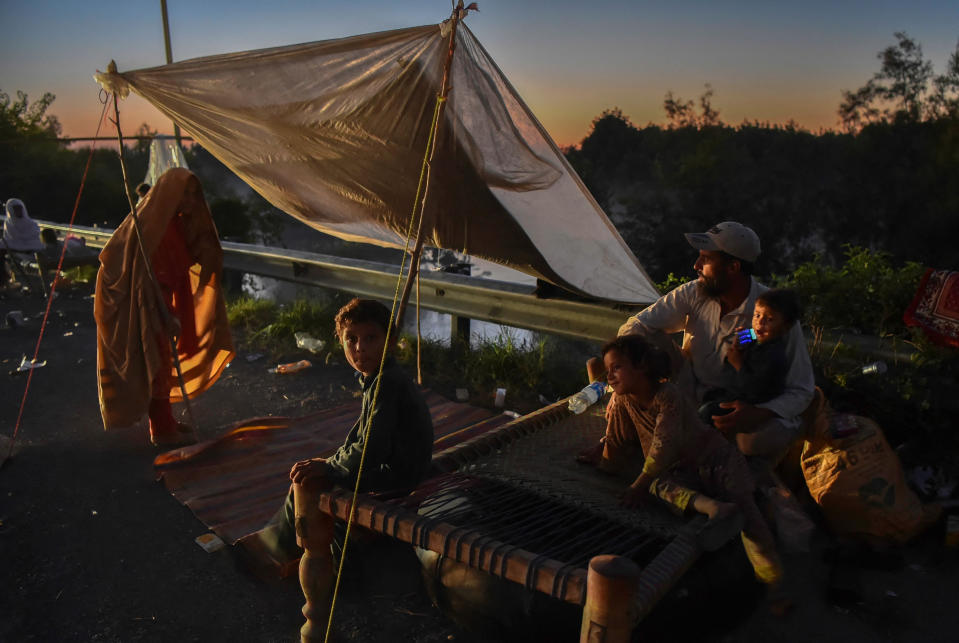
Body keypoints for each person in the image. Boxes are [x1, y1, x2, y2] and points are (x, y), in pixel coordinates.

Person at [586, 334, 786, 604]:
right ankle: (713, 508)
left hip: (717, 461)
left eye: (616, 368)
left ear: (642, 366)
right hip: (679, 471)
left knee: (751, 519)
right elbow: (617, 438)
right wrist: (604, 462)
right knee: (657, 485)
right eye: (607, 370)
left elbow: (664, 444)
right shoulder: (623, 401)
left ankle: (774, 587)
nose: (609, 376)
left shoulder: (668, 396)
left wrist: (638, 485)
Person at [241, 298, 435, 574]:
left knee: (306, 482)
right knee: (315, 469)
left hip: (397, 475)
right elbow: (364, 436)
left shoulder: (386, 383)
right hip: (400, 467)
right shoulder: (380, 377)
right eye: (351, 339)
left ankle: (284, 553)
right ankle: (281, 541)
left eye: (371, 338)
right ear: (341, 342)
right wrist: (332, 461)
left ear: (390, 342)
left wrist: (330, 466)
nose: (360, 348)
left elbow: (372, 448)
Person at [614, 221, 814, 474]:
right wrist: (639, 373)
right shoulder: (694, 293)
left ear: (733, 267)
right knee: (643, 337)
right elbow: (635, 325)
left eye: (706, 259)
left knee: (754, 441)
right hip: (692, 391)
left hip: (744, 403)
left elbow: (802, 389)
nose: (696, 266)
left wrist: (758, 413)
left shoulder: (774, 315)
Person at [94, 168, 234, 446]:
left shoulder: (173, 223)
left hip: (158, 300)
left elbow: (195, 249)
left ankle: (165, 421)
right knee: (154, 361)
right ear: (170, 195)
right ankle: (160, 430)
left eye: (195, 195)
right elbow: (144, 274)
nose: (191, 201)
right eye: (185, 194)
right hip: (141, 303)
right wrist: (165, 314)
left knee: (162, 361)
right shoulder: (151, 226)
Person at [698, 288, 802, 427]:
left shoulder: (773, 354)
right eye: (757, 315)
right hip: (738, 392)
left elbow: (754, 388)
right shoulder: (762, 337)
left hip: (753, 402)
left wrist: (737, 363)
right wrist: (741, 339)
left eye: (769, 319)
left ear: (785, 327)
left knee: (707, 412)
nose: (760, 323)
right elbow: (750, 335)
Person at [1, 198, 44, 286]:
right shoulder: (9, 223)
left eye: (19, 208)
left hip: (31, 248)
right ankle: (4, 279)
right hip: (15, 247)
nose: (18, 211)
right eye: (15, 208)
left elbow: (36, 237)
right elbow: (12, 238)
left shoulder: (31, 223)